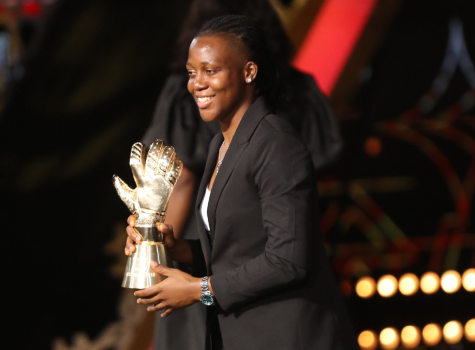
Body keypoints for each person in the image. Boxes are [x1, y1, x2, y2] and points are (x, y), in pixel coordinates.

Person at [125, 15, 358, 350]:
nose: (197, 84)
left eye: (211, 70)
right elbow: (237, 252)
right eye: (192, 73)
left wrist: (198, 290)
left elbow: (288, 260)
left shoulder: (275, 143)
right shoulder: (220, 145)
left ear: (249, 72)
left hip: (291, 337)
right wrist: (176, 247)